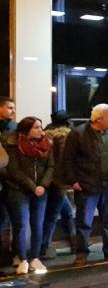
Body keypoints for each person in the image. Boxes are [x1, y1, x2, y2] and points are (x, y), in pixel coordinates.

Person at [62, 104, 108, 266]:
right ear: (98, 119)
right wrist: (74, 181)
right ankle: (81, 253)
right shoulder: (78, 133)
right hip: (87, 184)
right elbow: (67, 159)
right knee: (84, 222)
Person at [6, 117, 53, 274]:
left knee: (38, 224)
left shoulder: (47, 144)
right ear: (26, 131)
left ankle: (35, 258)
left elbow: (51, 166)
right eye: (36, 127)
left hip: (40, 190)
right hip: (18, 190)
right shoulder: (14, 145)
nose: (41, 130)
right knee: (21, 225)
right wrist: (33, 187)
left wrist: (43, 185)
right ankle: (22, 259)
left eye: (40, 127)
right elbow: (13, 170)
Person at [41, 110, 76, 258]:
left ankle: (75, 243)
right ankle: (44, 247)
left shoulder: (45, 135)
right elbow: (64, 161)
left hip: (47, 180)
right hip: (59, 181)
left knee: (66, 212)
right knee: (52, 215)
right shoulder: (65, 137)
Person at [0, 97, 16, 266]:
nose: (12, 111)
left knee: (6, 217)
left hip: (9, 179)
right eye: (9, 107)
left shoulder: (15, 128)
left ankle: (5, 253)